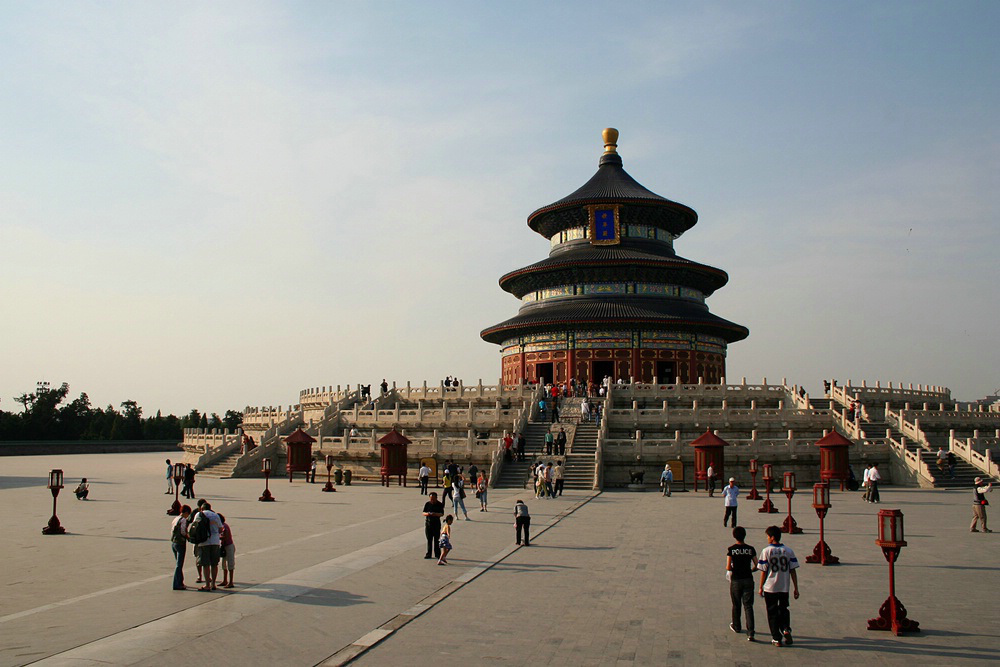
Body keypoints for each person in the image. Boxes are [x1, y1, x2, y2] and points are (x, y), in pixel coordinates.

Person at [758, 526, 800, 647]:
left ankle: (776, 638)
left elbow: (763, 571)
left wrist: (760, 586)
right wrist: (796, 588)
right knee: (783, 609)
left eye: (767, 536)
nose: (767, 538)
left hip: (770, 587)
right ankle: (786, 628)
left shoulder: (766, 551)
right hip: (784, 586)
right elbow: (793, 570)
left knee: (772, 612)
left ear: (772, 537)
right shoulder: (788, 550)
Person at [727, 526, 757, 641]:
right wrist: (751, 570)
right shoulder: (750, 549)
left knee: (736, 604)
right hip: (748, 579)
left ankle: (737, 626)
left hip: (736, 579)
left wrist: (733, 569)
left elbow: (728, 566)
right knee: (748, 606)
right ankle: (751, 632)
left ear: (734, 536)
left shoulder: (731, 549)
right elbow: (757, 564)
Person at [195, 501, 224, 591]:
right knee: (214, 564)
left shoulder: (199, 514)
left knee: (205, 564)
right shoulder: (215, 515)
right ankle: (213, 584)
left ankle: (207, 584)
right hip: (215, 541)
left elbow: (195, 526)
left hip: (204, 542)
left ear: (202, 508)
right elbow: (220, 529)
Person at [170, 505, 191, 590]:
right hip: (180, 543)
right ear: (186, 512)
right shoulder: (183, 520)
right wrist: (188, 537)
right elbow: (183, 531)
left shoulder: (176, 518)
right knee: (179, 565)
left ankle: (180, 581)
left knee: (178, 563)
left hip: (174, 542)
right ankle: (177, 584)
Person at [422, 492, 445, 560]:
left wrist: (435, 514)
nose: (432, 500)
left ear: (436, 498)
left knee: (436, 539)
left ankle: (437, 554)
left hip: (436, 524)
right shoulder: (427, 504)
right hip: (428, 524)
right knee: (429, 539)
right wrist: (428, 514)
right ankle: (429, 553)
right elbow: (423, 512)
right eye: (431, 499)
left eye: (433, 499)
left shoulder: (439, 504)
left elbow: (442, 514)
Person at [218, 513, 236, 588]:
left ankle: (231, 581)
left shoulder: (224, 526)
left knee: (230, 564)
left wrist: (217, 537)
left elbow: (226, 537)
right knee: (223, 564)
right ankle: (225, 580)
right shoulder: (221, 526)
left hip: (228, 546)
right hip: (224, 546)